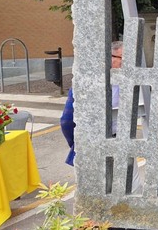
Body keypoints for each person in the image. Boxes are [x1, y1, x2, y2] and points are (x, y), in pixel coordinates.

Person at [60, 41, 142, 192]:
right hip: (95, 144)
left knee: (132, 189)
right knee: (102, 192)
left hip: (123, 141)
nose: (128, 64)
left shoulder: (130, 81)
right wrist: (80, 142)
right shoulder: (86, 82)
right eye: (124, 59)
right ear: (110, 57)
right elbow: (67, 121)